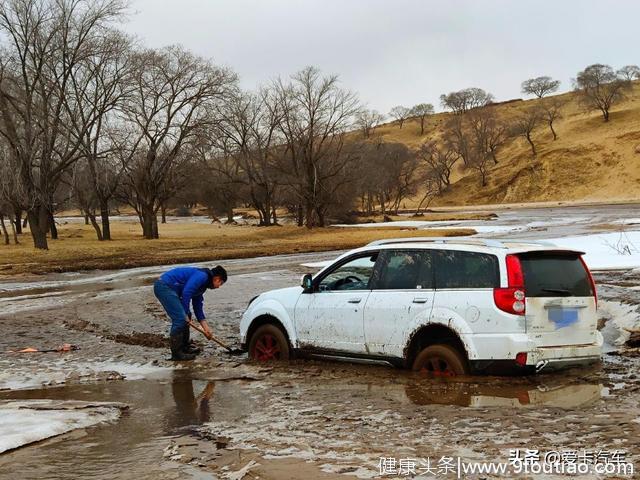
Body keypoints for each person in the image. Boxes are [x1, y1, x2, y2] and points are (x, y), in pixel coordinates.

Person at [154, 265, 227, 360]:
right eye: (220, 283)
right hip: (164, 286)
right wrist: (184, 313)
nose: (218, 287)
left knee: (187, 315)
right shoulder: (202, 276)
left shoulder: (203, 285)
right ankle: (176, 353)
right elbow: (187, 292)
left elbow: (198, 307)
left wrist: (206, 328)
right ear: (217, 278)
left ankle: (185, 347)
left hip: (170, 289)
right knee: (180, 318)